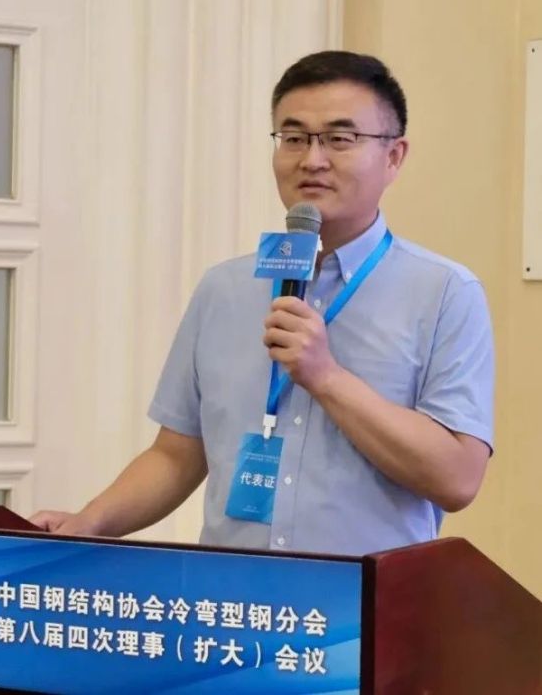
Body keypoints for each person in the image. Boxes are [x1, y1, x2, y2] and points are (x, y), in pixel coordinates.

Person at [31, 51, 493, 556]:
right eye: (293, 138)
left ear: (394, 156)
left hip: (364, 598)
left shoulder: (445, 292)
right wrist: (90, 522)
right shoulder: (225, 288)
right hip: (235, 596)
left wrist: (326, 376)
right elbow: (177, 454)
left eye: (339, 139)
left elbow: (457, 478)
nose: (311, 160)